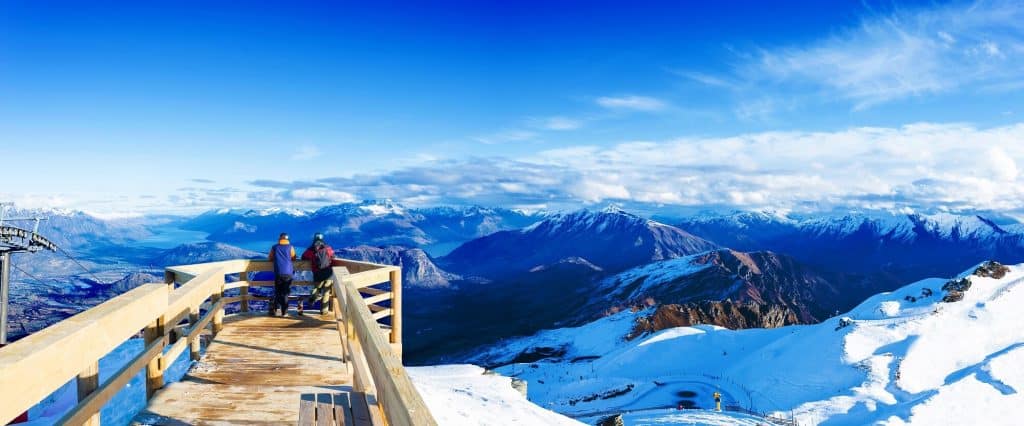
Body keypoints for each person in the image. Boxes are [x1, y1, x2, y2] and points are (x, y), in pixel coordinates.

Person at [301, 233, 335, 315]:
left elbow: (303, 256)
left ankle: (313, 298)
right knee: (326, 292)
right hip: (328, 273)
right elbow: (332, 256)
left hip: (317, 273)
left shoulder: (311, 249)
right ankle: (324, 311)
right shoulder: (327, 248)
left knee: (317, 289)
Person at [268, 232, 296, 316]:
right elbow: (294, 257)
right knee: (285, 293)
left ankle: (276, 309)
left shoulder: (274, 247)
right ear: (288, 239)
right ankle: (284, 312)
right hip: (288, 273)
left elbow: (270, 258)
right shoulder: (290, 247)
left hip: (279, 272)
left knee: (278, 291)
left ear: (279, 239)